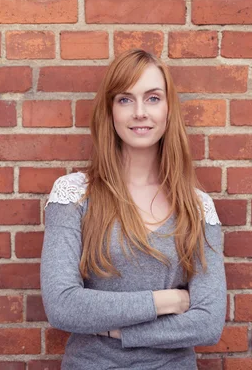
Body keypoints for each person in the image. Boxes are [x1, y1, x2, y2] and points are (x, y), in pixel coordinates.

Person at [40, 49, 227, 369]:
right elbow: (63, 306)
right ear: (110, 111)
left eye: (153, 98)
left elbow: (208, 323)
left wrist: (117, 331)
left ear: (169, 109)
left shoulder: (197, 207)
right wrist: (166, 301)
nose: (140, 112)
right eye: (125, 99)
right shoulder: (74, 195)